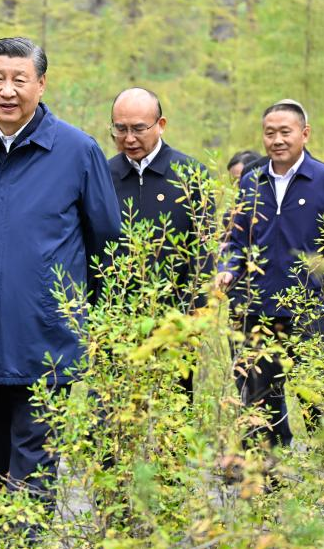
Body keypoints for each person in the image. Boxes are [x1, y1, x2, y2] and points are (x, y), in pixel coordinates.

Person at [0, 37, 120, 497]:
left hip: (47, 336)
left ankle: (24, 544)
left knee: (36, 467)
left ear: (41, 84)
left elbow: (107, 242)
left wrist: (90, 321)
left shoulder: (77, 151)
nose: (7, 90)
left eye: (19, 79)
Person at [215, 99, 324, 448]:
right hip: (254, 309)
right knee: (258, 400)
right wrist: (228, 270)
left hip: (307, 310)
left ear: (304, 134)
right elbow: (236, 240)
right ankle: (269, 480)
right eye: (269, 133)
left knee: (317, 397)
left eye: (285, 132)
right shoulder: (251, 182)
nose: (277, 140)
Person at [106, 87, 210, 399]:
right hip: (116, 321)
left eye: (138, 128)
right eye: (120, 129)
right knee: (115, 413)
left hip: (173, 321)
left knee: (174, 411)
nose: (129, 138)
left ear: (160, 124)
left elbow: (203, 253)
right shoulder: (103, 174)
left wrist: (196, 316)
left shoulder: (189, 174)